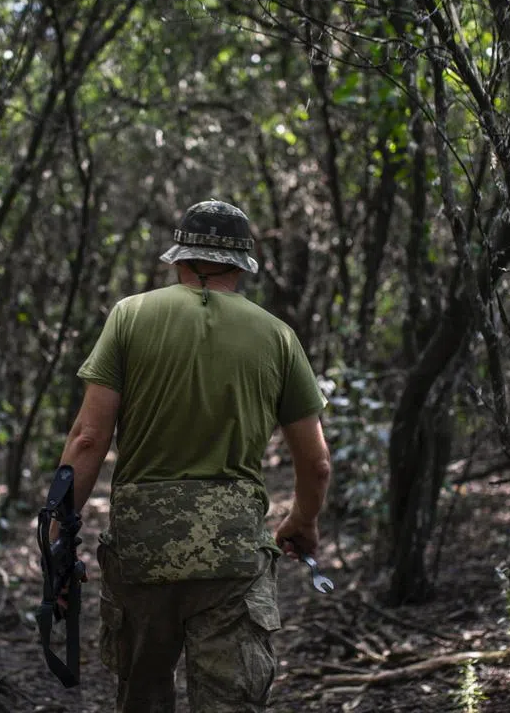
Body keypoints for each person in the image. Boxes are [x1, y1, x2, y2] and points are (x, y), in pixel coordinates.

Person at [54, 199, 332, 712]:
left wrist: (57, 536)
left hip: (142, 550)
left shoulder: (130, 317)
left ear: (179, 256)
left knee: (142, 696)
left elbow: (88, 440)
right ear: (243, 266)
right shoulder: (277, 336)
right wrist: (302, 520)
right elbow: (315, 463)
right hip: (233, 554)